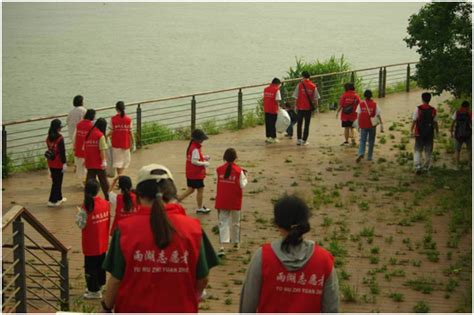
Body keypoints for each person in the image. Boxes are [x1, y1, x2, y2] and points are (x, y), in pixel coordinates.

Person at [101, 164, 219, 312]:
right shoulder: (193, 229)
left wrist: (106, 307)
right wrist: (191, 296)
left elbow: (116, 280)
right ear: (173, 194)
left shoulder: (125, 230)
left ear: (139, 196)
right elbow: (203, 277)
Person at [239, 194, 339, 312]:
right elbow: (332, 308)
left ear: (277, 224)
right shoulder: (323, 260)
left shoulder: (263, 257)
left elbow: (247, 306)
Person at [75, 179, 110, 299]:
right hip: (102, 240)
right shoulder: (105, 203)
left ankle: (93, 290)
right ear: (98, 189)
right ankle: (100, 285)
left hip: (91, 242)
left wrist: (79, 214)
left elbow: (81, 224)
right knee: (101, 264)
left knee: (91, 267)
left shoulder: (86, 206)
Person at [215, 148, 248, 257]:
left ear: (224, 158)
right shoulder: (239, 172)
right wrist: (245, 176)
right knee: (235, 223)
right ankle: (236, 243)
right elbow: (243, 185)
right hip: (235, 201)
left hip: (222, 200)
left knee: (223, 222)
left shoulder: (219, 169)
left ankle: (222, 246)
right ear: (236, 158)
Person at [178, 129, 211, 214]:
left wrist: (203, 157)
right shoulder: (195, 148)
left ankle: (177, 200)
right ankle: (200, 208)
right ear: (198, 139)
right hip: (196, 174)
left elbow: (194, 158)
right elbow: (194, 161)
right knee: (200, 190)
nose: (203, 140)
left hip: (190, 172)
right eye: (201, 139)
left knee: (191, 189)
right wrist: (204, 163)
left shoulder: (191, 146)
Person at [411, 92, 438, 174]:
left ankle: (417, 165)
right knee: (428, 150)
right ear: (430, 99)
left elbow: (414, 120)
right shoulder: (433, 110)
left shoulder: (418, 109)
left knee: (417, 149)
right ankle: (427, 166)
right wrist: (437, 132)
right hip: (429, 133)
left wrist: (411, 130)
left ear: (422, 99)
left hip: (419, 132)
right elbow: (435, 122)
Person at [84, 118, 110, 200]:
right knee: (104, 182)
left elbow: (85, 148)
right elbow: (102, 150)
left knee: (90, 182)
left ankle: (88, 198)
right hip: (98, 163)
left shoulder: (88, 134)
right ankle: (108, 198)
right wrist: (104, 161)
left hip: (89, 162)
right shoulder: (100, 135)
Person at [292, 71, 320, 146]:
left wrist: (295, 106)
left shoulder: (300, 85)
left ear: (303, 76)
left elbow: (295, 97)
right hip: (308, 108)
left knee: (299, 124)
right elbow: (316, 98)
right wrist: (316, 108)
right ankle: (304, 140)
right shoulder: (313, 86)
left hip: (300, 107)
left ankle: (298, 139)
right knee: (307, 124)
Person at [356, 90, 384, 162]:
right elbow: (378, 115)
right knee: (371, 141)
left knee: (362, 140)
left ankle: (361, 153)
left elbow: (358, 115)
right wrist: (381, 123)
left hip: (363, 124)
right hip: (372, 125)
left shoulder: (361, 104)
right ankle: (369, 157)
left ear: (364, 96)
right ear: (371, 96)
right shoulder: (375, 104)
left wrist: (358, 125)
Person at [45, 119, 67, 207]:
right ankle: (52, 200)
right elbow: (62, 151)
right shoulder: (60, 138)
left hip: (51, 162)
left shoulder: (48, 137)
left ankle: (59, 198)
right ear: (58, 128)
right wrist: (64, 163)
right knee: (57, 182)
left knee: (55, 180)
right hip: (58, 163)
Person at [109, 101, 134, 176]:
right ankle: (120, 176)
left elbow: (111, 132)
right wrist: (133, 142)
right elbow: (131, 132)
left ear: (116, 109)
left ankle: (119, 176)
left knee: (117, 162)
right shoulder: (128, 119)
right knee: (124, 162)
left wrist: (105, 137)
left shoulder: (112, 119)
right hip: (126, 144)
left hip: (116, 144)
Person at [73, 109, 96, 183]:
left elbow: (74, 137)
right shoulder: (92, 126)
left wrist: (74, 147)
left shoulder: (79, 124)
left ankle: (84, 181)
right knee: (88, 167)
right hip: (89, 150)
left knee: (81, 168)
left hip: (79, 149)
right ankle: (87, 182)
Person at [263, 78, 282, 144]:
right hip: (273, 109)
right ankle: (273, 137)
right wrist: (279, 108)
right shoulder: (277, 90)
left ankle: (268, 137)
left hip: (266, 108)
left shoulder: (266, 89)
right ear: (277, 83)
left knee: (268, 123)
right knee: (273, 123)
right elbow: (278, 100)